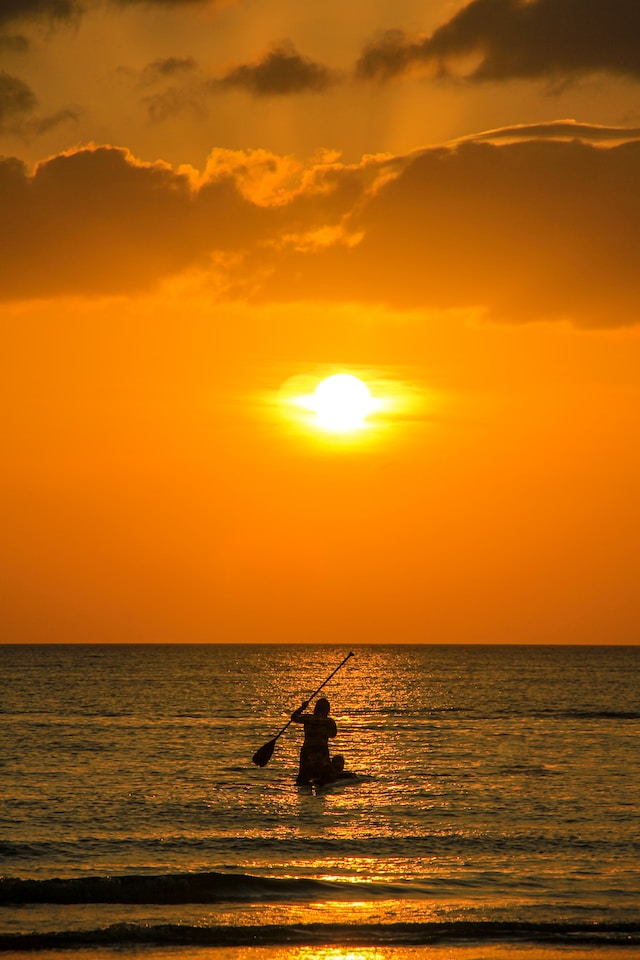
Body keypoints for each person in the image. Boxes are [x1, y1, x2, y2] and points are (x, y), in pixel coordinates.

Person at [291, 697, 337, 785]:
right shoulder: (329, 722)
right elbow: (333, 735)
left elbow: (294, 717)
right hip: (322, 753)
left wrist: (302, 707)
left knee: (303, 780)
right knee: (323, 780)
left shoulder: (308, 718)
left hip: (307, 753)